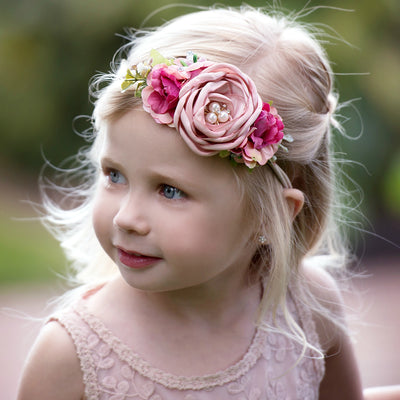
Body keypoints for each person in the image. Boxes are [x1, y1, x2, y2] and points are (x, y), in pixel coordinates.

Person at [17, 5, 364, 400]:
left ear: (273, 216)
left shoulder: (310, 310)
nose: (127, 219)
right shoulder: (69, 357)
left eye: (169, 190)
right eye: (115, 175)